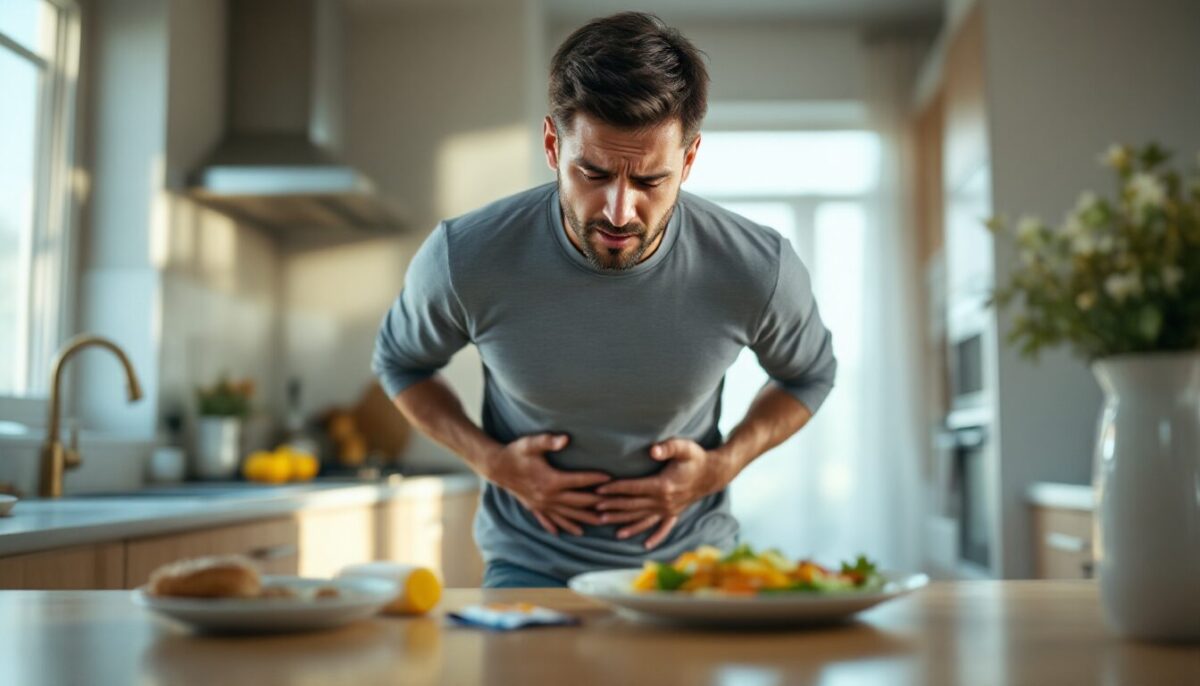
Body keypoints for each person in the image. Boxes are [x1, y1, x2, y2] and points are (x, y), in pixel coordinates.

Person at [372, 11, 836, 588]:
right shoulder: (464, 256)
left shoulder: (757, 267)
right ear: (553, 145)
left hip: (692, 571)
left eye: (649, 181)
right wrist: (491, 461)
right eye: (593, 173)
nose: (619, 212)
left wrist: (721, 467)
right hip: (530, 569)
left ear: (689, 160)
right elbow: (400, 363)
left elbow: (808, 376)